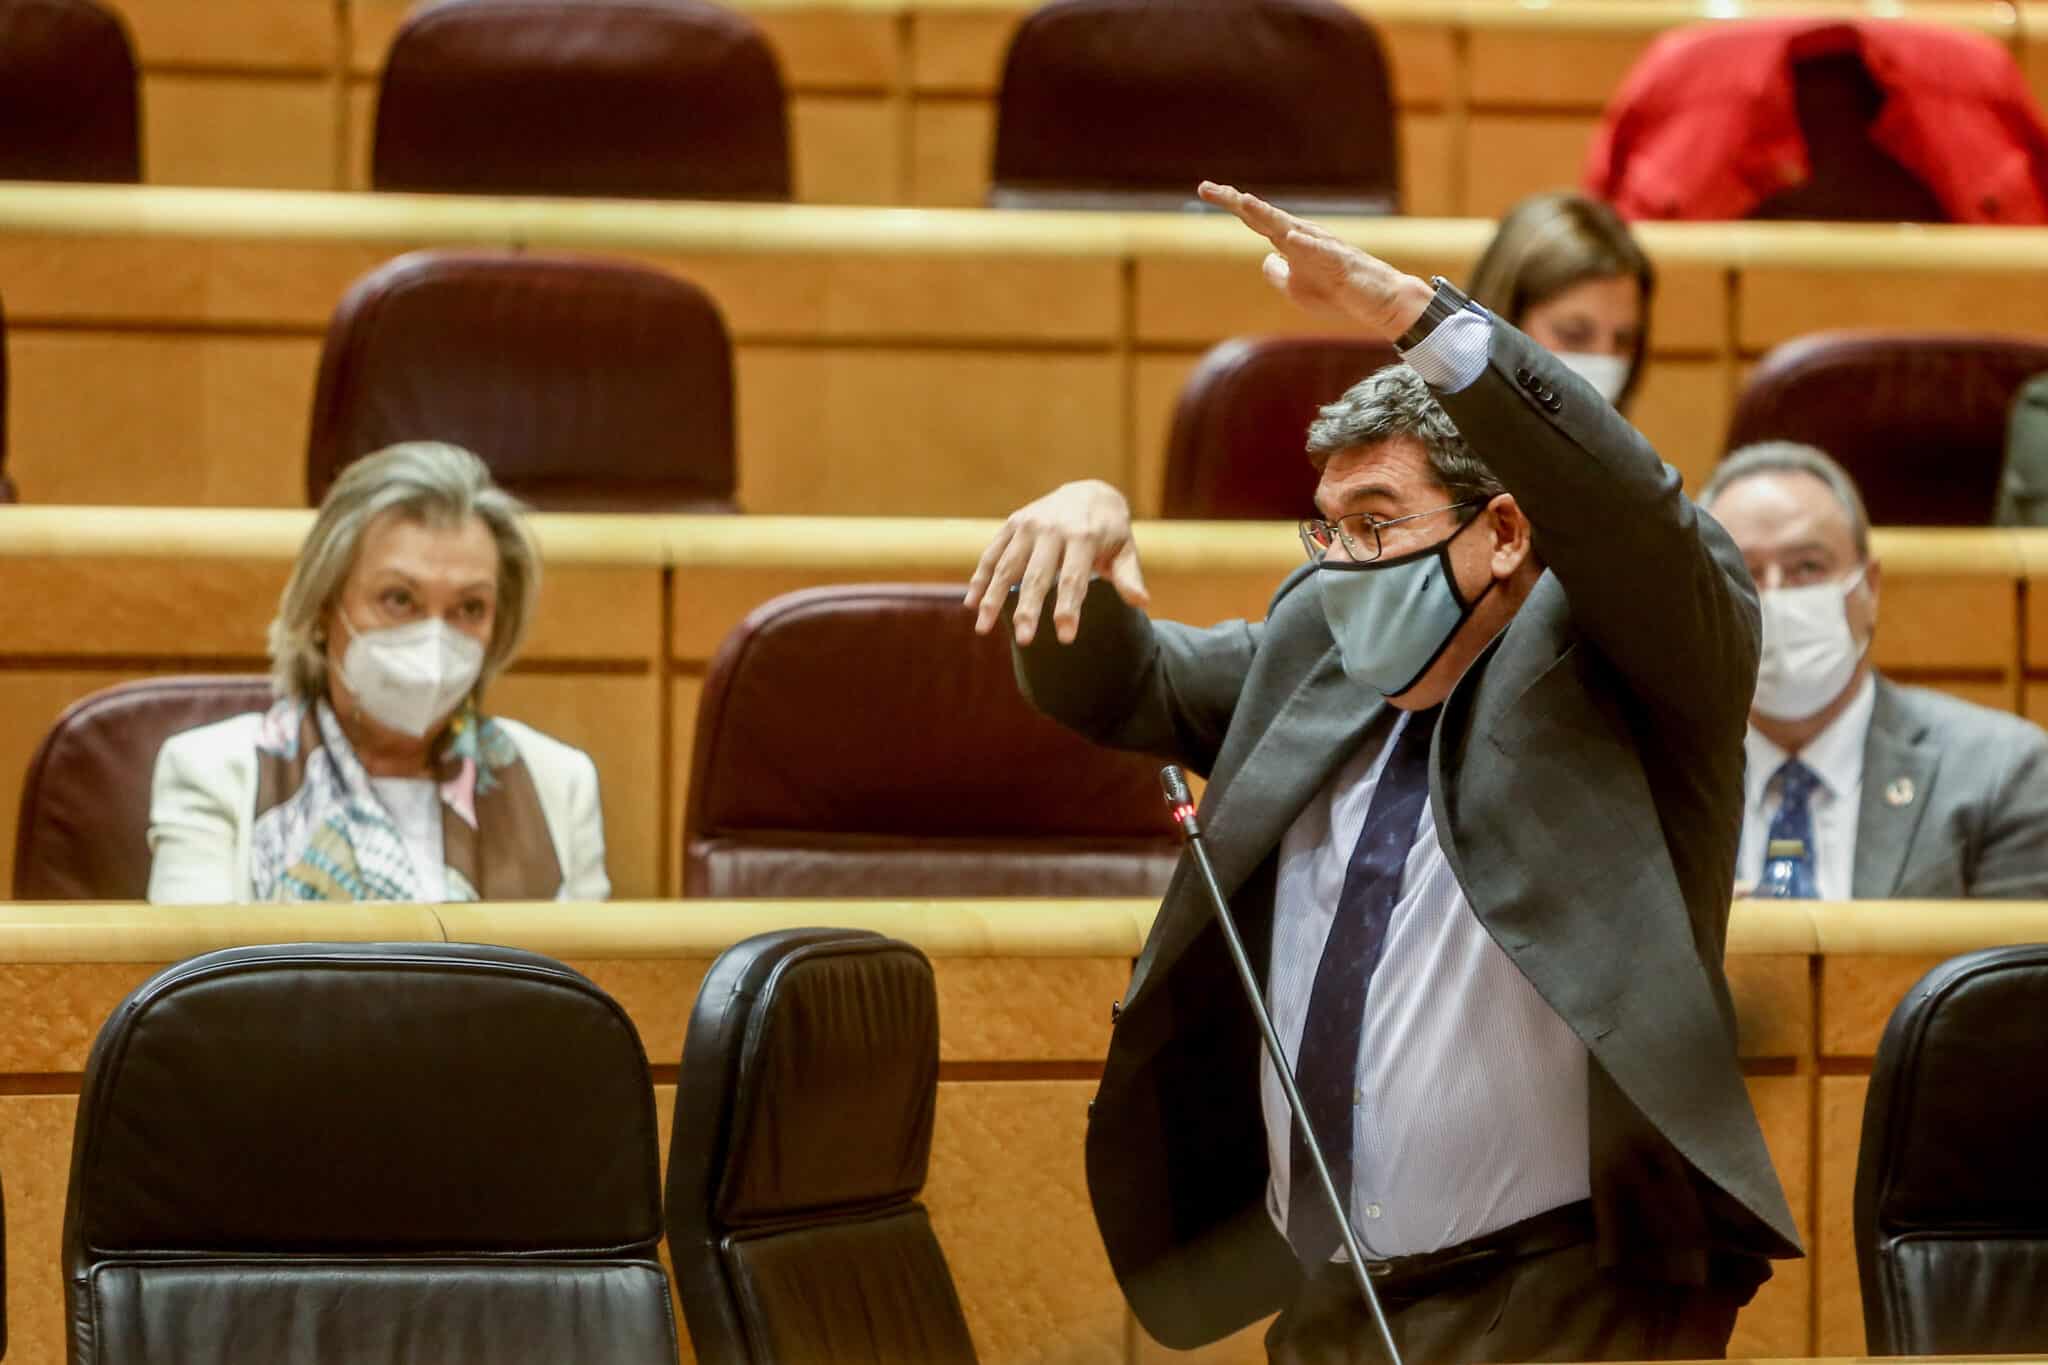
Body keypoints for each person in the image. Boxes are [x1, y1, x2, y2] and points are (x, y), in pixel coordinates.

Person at [964, 182, 1798, 1363]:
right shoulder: (1322, 640)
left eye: (1374, 523)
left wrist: (1415, 312)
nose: (1340, 564)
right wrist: (1080, 527)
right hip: (1330, 1306)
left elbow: (1632, 520)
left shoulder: (1627, 659)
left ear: (1502, 532)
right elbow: (1122, 685)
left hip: (1567, 1306)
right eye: (1327, 528)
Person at [147, 442, 608, 904]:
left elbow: (592, 974)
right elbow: (195, 973)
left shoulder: (559, 782)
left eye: (470, 607)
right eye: (399, 599)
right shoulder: (213, 773)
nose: (434, 638)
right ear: (325, 608)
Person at [1701, 441, 2048, 898]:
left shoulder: (2004, 771)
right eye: (1744, 572)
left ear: (1870, 588)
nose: (1776, 597)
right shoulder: (1645, 782)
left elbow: (2012, 967)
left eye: (1807, 567)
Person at [1465, 190, 1652, 412]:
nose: (1604, 359)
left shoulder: (1620, 446)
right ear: (1505, 319)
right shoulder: (1422, 441)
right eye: (1573, 335)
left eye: (1623, 341)